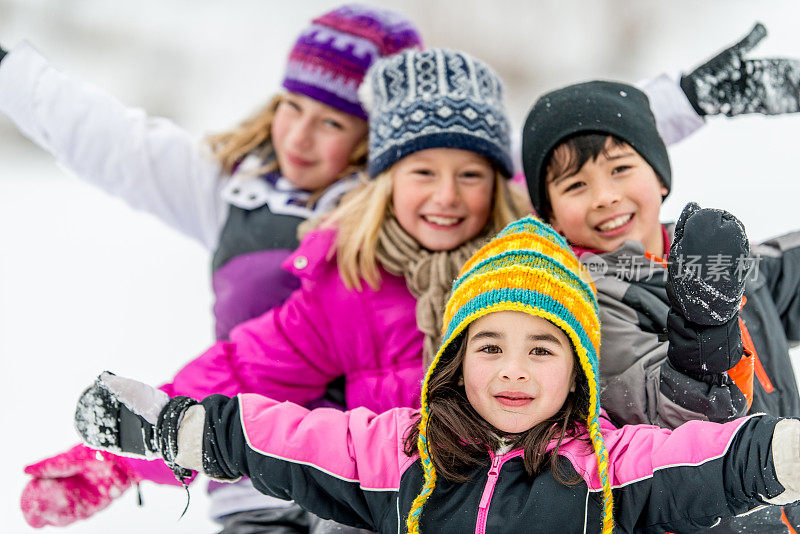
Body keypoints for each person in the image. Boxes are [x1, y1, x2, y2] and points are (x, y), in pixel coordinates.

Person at [20, 47, 531, 529]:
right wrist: (127, 455)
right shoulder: (351, 286)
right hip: (389, 510)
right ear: (386, 181)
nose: (447, 196)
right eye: (423, 172)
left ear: (498, 184)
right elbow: (244, 371)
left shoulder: (533, 274)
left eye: (470, 174)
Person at [73, 215, 800, 534]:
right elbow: (284, 439)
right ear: (455, 360)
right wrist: (177, 425)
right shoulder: (401, 453)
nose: (512, 370)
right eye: (489, 347)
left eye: (542, 350)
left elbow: (706, 459)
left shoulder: (609, 468)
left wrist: (780, 452)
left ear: (577, 369)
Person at [521, 79, 800, 532]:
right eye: (575, 185)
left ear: (660, 175)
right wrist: (702, 331)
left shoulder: (714, 254)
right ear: (548, 214)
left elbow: (784, 272)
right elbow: (662, 412)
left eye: (620, 169)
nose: (604, 196)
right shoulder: (584, 303)